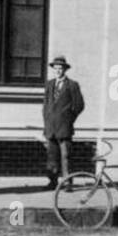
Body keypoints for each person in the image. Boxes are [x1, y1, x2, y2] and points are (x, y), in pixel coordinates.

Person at [42, 55, 85, 189]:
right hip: (51, 127)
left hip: (65, 127)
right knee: (52, 156)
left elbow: (79, 105)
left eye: (61, 68)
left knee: (66, 156)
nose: (58, 71)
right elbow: (46, 104)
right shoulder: (49, 84)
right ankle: (52, 182)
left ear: (65, 69)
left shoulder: (72, 85)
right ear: (53, 69)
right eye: (56, 68)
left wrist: (69, 118)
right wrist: (47, 120)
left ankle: (67, 182)